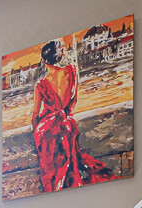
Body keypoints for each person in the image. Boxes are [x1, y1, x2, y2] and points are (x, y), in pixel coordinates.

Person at [31, 39, 112, 192]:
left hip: (47, 131)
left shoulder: (41, 84)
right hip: (66, 126)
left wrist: (37, 134)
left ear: (43, 60)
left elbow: (35, 115)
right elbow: (73, 102)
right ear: (60, 55)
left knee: (52, 175)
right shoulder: (72, 71)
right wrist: (66, 117)